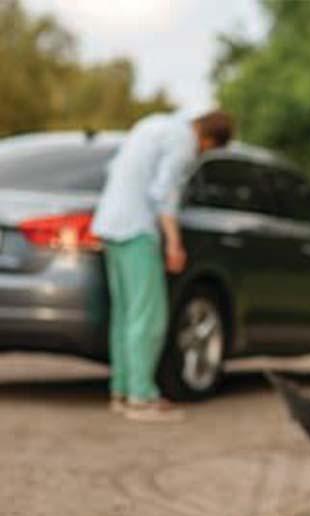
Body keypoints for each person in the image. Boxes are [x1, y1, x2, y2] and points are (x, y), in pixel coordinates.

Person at [91, 111, 233, 422]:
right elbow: (164, 194)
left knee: (125, 316)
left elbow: (113, 168)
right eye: (207, 149)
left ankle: (122, 391)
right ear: (208, 139)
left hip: (109, 224)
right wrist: (173, 243)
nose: (202, 153)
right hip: (138, 229)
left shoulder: (151, 124)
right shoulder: (183, 143)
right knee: (149, 317)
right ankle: (141, 397)